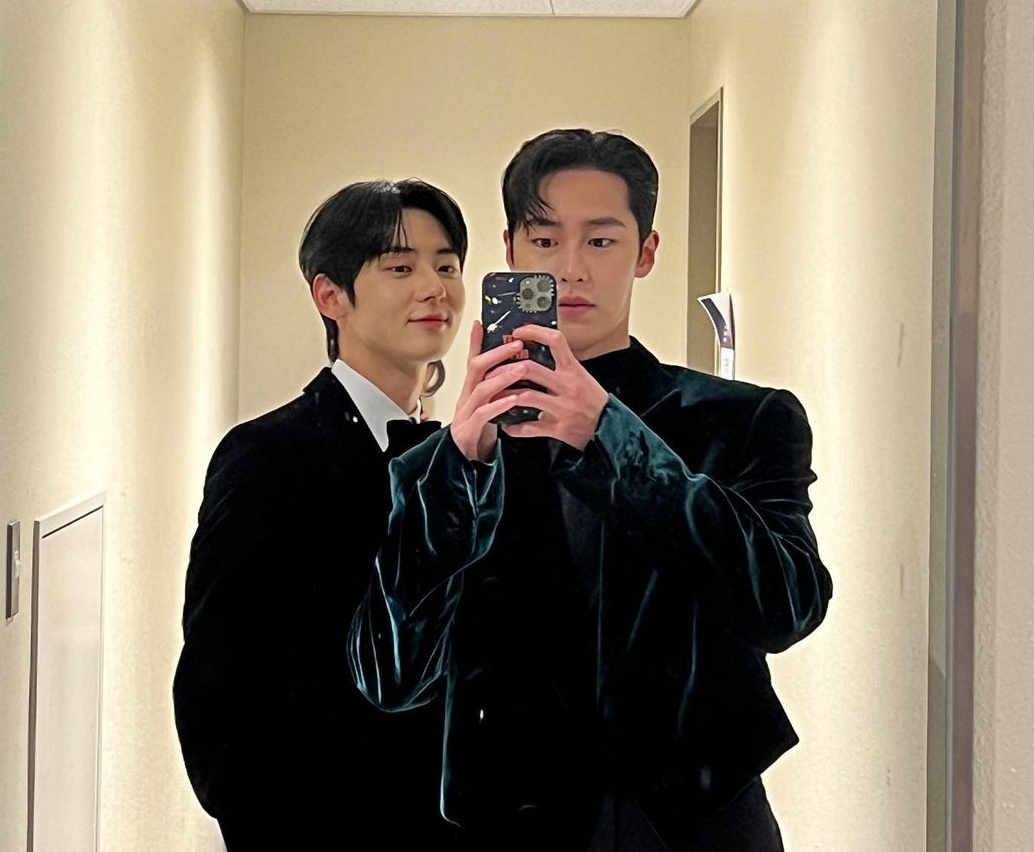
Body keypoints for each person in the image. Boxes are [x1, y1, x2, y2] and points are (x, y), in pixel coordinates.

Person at [348, 130, 833, 851]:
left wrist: (610, 436)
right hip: (511, 823)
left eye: (601, 241)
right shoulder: (437, 463)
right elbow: (389, 677)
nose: (570, 269)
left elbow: (786, 606)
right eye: (545, 241)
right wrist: (456, 469)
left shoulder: (739, 421)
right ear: (511, 252)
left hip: (695, 823)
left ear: (646, 252)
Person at [173, 179, 503, 849]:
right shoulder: (269, 456)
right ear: (331, 296)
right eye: (400, 268)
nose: (434, 288)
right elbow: (219, 697)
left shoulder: (467, 456)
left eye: (446, 266)